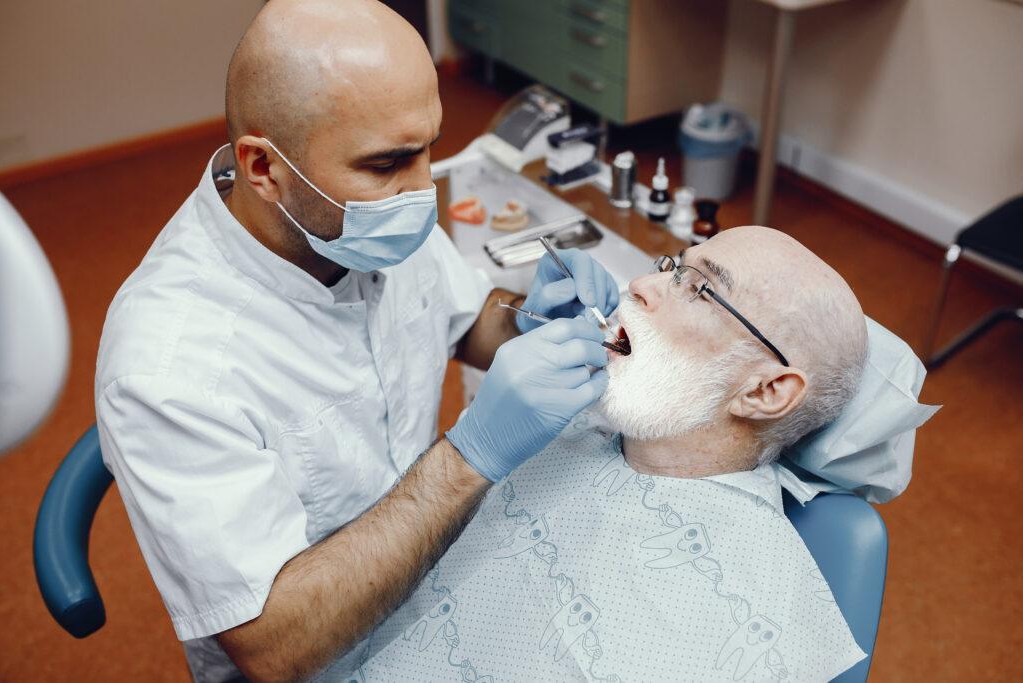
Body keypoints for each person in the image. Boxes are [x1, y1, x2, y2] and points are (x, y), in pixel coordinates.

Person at [94, 1, 617, 681]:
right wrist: (470, 457)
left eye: (428, 146)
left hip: (435, 572)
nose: (421, 189)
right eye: (389, 163)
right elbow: (274, 645)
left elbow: (464, 321)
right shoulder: (171, 363)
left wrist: (527, 317)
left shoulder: (361, 215)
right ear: (263, 168)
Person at [351, 226, 871, 682]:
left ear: (766, 391)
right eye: (671, 268)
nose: (640, 286)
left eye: (698, 289)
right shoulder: (570, 421)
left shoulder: (749, 618)